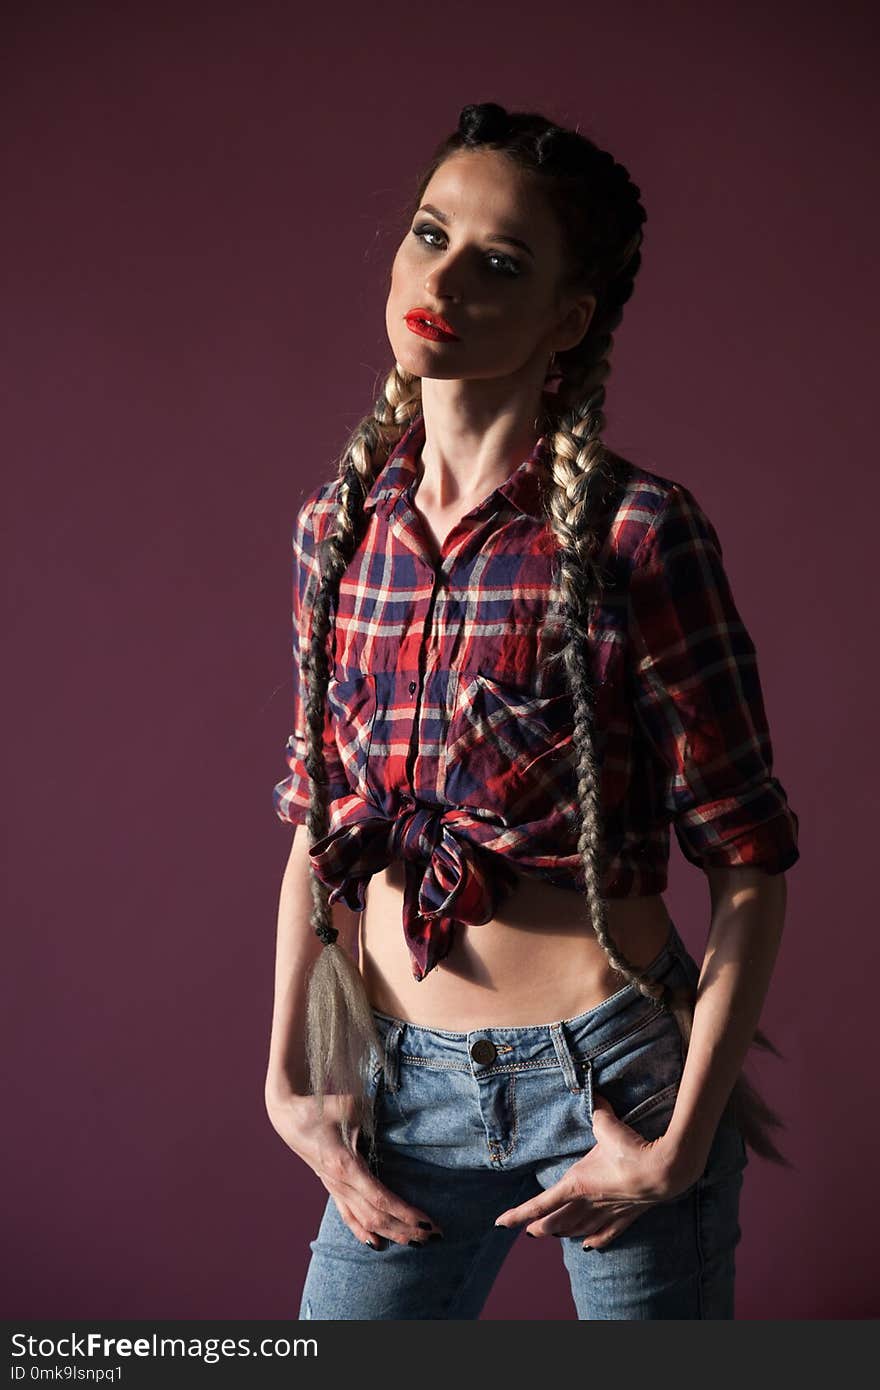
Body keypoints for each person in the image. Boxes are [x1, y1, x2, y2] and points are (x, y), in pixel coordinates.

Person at [264, 101, 800, 1320]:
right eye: (427, 232)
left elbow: (751, 864)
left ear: (570, 319)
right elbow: (322, 834)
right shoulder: (334, 534)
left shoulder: (635, 532)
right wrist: (297, 1076)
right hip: (396, 1086)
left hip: (611, 1083)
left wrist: (678, 1144)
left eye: (498, 262)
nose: (441, 276)